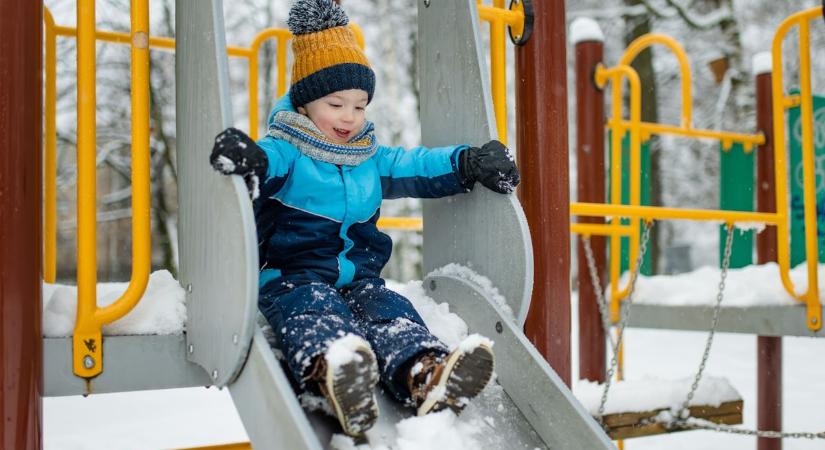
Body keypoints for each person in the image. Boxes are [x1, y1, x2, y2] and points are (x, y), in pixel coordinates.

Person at [209, 0, 520, 437]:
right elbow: (266, 165)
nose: (349, 117)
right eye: (336, 103)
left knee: (390, 310)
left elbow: (417, 165)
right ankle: (332, 375)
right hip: (291, 278)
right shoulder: (285, 150)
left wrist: (468, 162)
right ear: (304, 105)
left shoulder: (367, 156)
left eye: (359, 105)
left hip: (358, 278)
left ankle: (424, 373)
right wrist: (249, 160)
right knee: (315, 312)